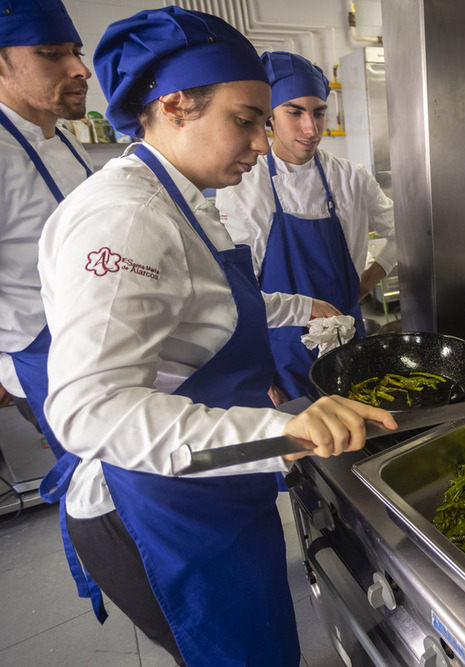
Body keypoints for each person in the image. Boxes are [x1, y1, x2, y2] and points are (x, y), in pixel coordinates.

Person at [37, 7, 396, 666]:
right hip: (158, 509)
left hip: (213, 487)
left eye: (264, 122)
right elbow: (88, 411)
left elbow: (210, 301)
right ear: (175, 105)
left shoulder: (180, 198)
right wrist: (278, 432)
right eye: (245, 120)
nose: (262, 143)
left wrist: (298, 305)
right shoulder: (125, 217)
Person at [216, 50, 396, 401]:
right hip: (281, 355)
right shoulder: (244, 185)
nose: (310, 129)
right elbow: (236, 292)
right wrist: (261, 375)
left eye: (318, 112)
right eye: (294, 112)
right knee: (307, 451)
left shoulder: (351, 179)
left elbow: (404, 231)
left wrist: (372, 277)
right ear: (270, 115)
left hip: (348, 342)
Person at [0, 0, 91, 441]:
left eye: (76, 51)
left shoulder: (68, 142)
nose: (79, 69)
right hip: (44, 359)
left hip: (100, 343)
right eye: (51, 54)